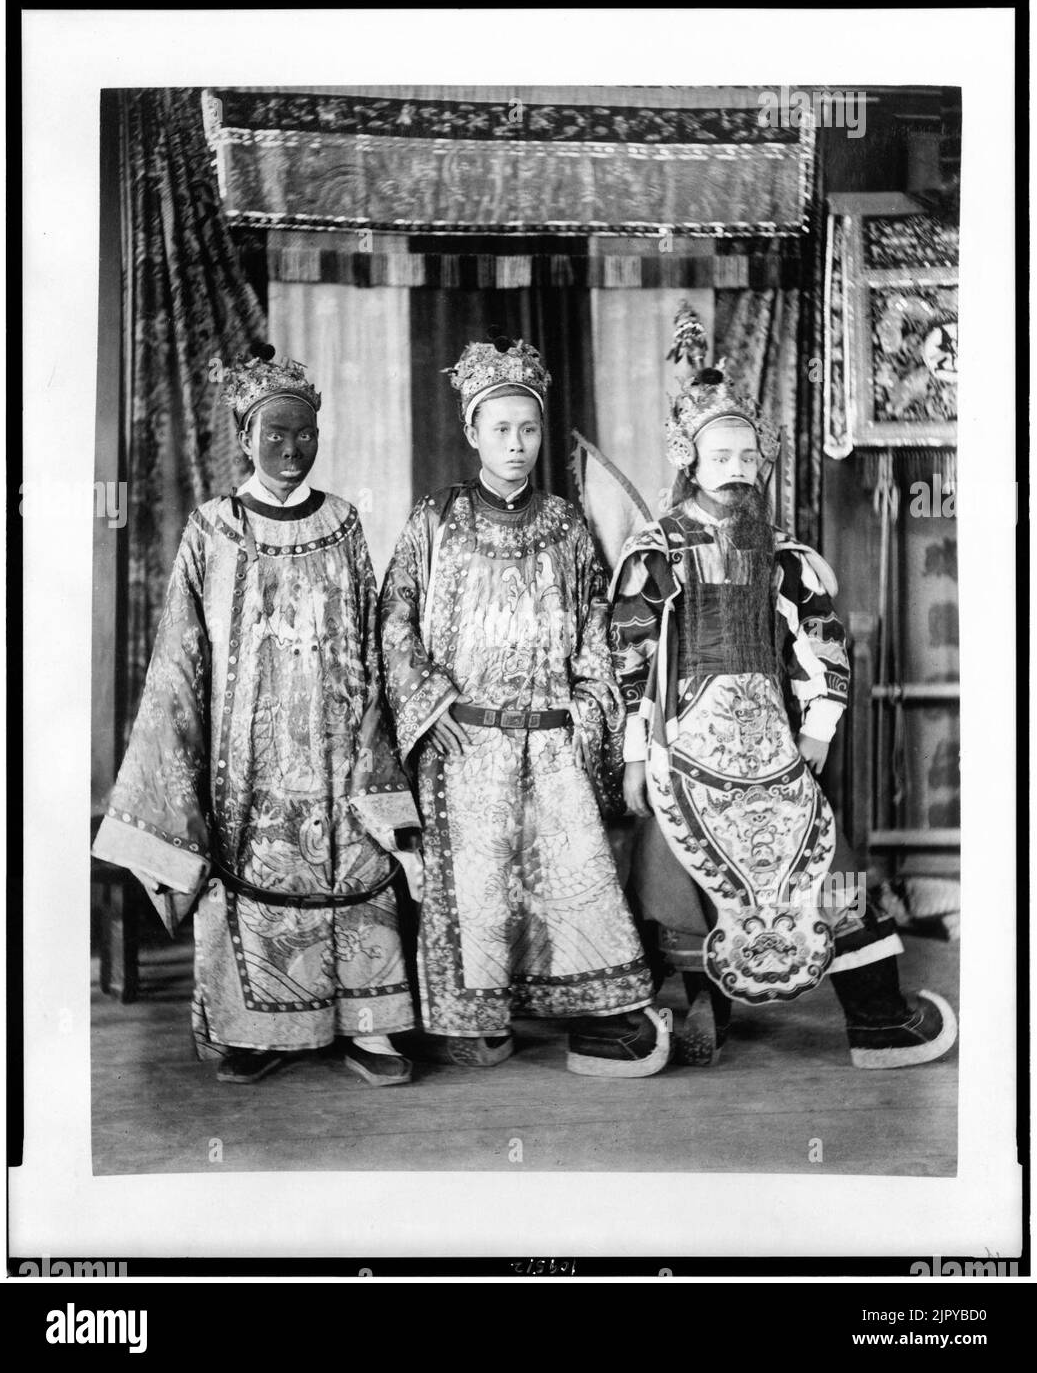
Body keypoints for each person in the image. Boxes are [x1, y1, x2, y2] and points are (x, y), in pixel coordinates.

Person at [610, 307, 957, 1069]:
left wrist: (817, 731)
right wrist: (637, 754)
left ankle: (877, 1020)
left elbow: (822, 648)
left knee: (819, 872)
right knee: (684, 881)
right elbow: (631, 659)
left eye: (746, 455)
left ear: (760, 464)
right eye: (718, 454)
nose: (734, 466)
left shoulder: (784, 555)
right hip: (686, 749)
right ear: (690, 462)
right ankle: (707, 1012)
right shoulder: (655, 551)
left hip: (773, 750)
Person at [92, 344, 422, 1086]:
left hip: (341, 749)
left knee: (356, 871)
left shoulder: (342, 523)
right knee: (252, 877)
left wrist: (376, 740)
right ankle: (252, 1029)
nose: (291, 449)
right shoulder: (212, 528)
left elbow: (369, 639)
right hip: (247, 762)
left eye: (304, 434)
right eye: (274, 435)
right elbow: (180, 653)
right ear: (244, 438)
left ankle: (369, 1028)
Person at [378, 332, 670, 1076]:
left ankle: (586, 1006)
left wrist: (585, 709)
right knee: (474, 891)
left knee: (571, 884)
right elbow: (394, 619)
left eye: (529, 429)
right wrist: (427, 702)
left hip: (548, 740)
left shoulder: (567, 526)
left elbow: (595, 634)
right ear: (472, 431)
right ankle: (470, 1018)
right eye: (501, 429)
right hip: (466, 742)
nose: (517, 445)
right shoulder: (434, 520)